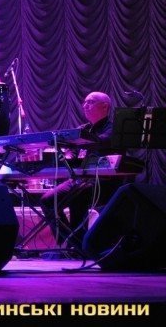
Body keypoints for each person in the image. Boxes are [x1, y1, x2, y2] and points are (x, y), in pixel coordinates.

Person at [39, 91, 128, 255]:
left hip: (103, 182)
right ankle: (72, 242)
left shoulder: (113, 128)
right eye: (85, 102)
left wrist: (76, 142)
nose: (85, 105)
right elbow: (72, 152)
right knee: (47, 200)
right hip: (81, 180)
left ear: (105, 106)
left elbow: (101, 142)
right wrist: (65, 153)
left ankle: (75, 245)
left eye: (90, 102)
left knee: (77, 200)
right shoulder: (84, 129)